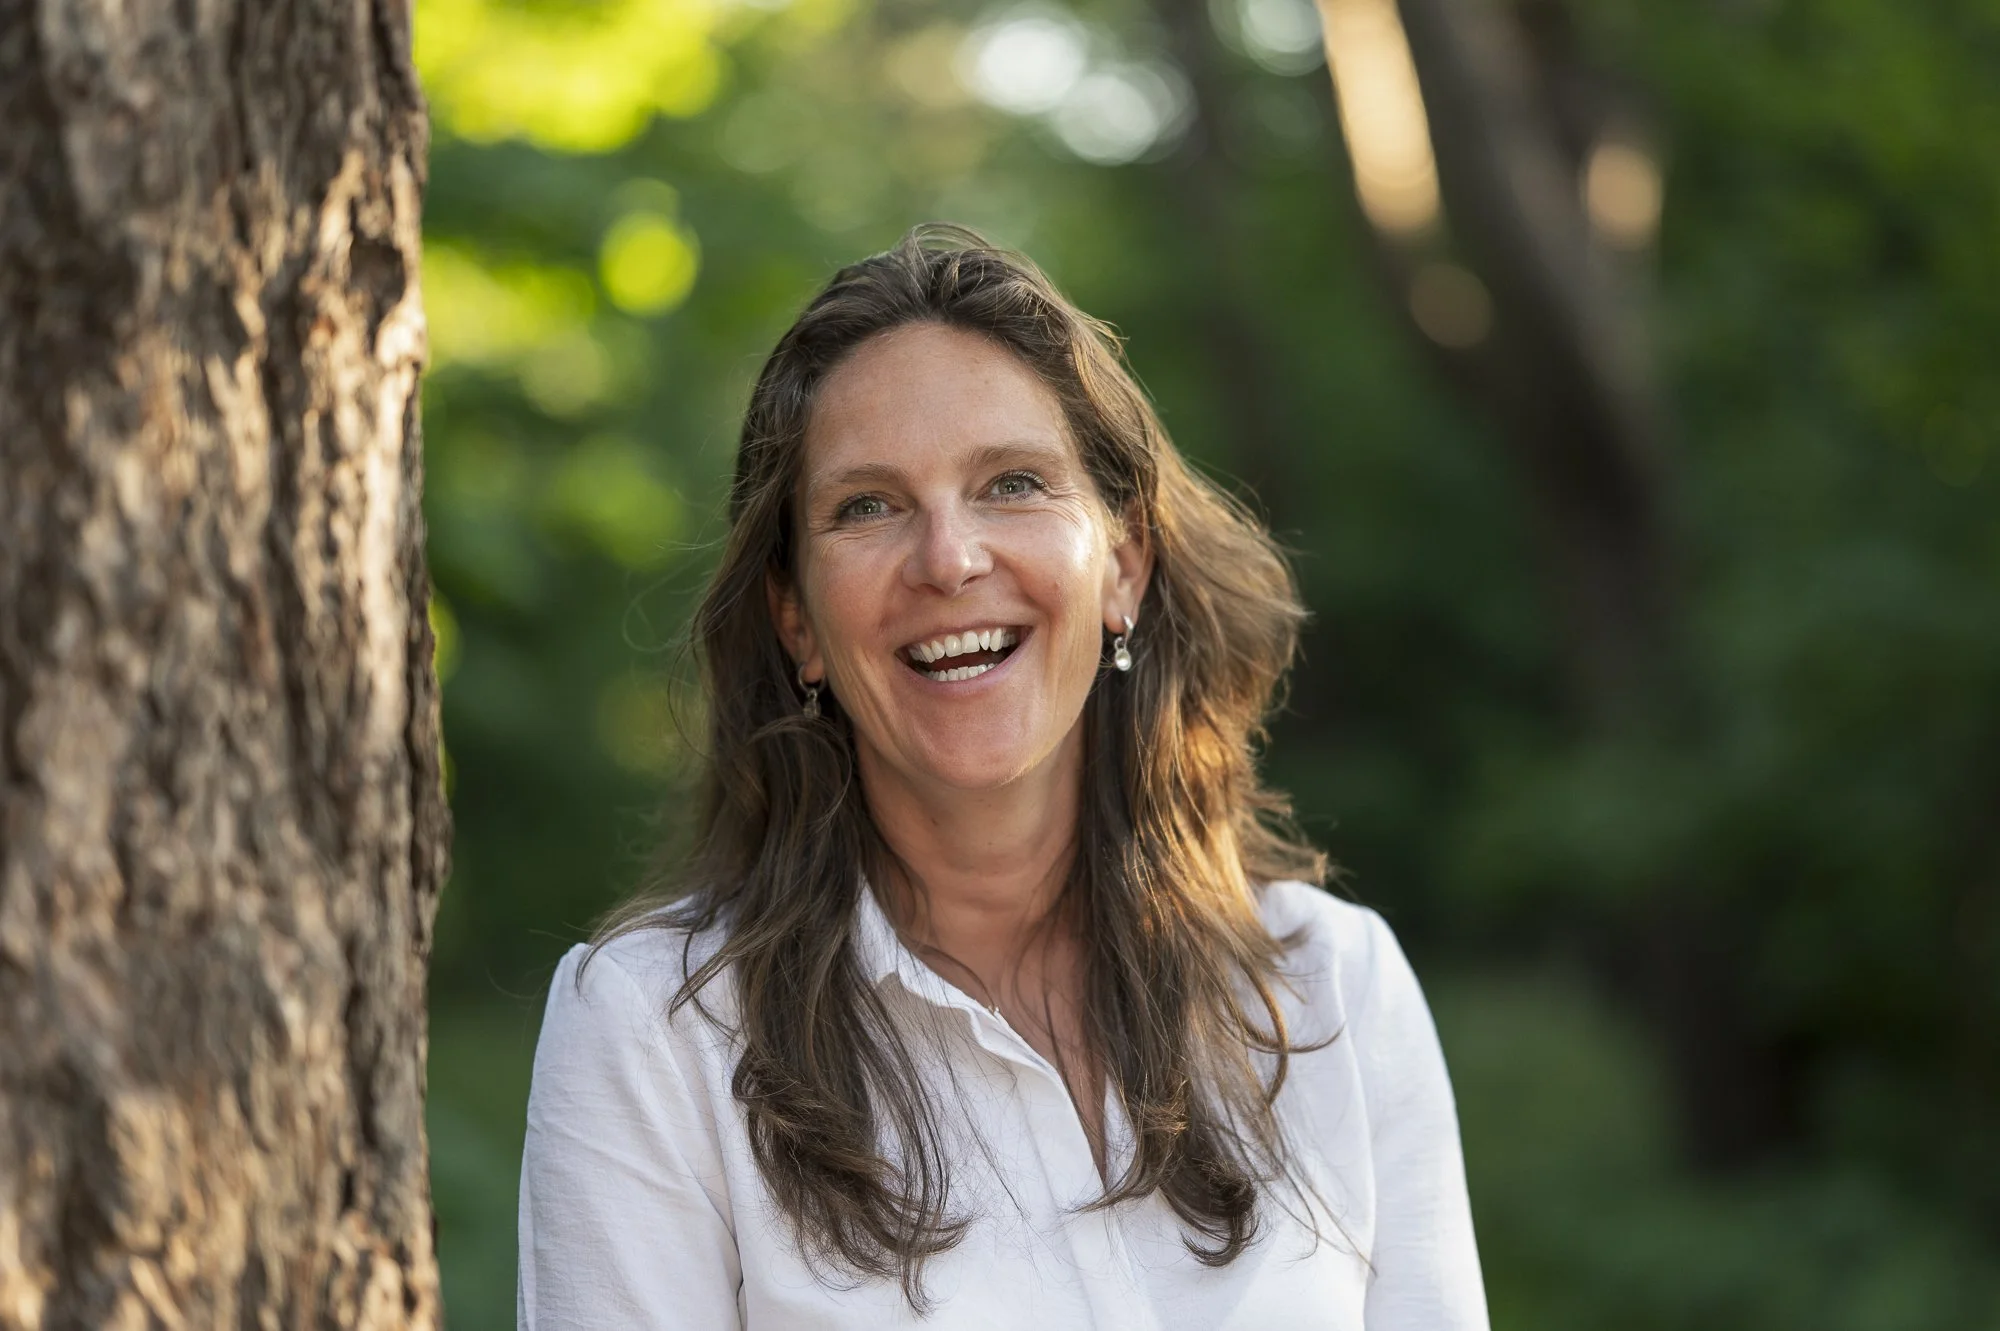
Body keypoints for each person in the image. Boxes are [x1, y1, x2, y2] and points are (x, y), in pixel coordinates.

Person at [516, 224, 1488, 1330]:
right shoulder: (656, 1032)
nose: (948, 558)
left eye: (1011, 483)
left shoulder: (1330, 991)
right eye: (866, 506)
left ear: (1122, 563)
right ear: (796, 620)